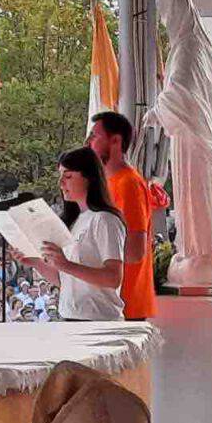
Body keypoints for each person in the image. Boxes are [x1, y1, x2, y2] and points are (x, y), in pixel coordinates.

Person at [11, 147, 126, 321]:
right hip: (69, 316)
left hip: (99, 321)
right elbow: (64, 280)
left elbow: (113, 278)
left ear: (89, 177)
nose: (61, 183)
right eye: (60, 176)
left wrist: (66, 265)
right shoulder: (73, 221)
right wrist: (34, 261)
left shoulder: (104, 220)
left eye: (68, 176)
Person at [87, 111, 156, 320]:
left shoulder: (129, 184)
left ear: (115, 141)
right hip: (109, 304)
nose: (88, 142)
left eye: (94, 136)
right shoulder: (106, 183)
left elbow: (135, 251)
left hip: (127, 307)